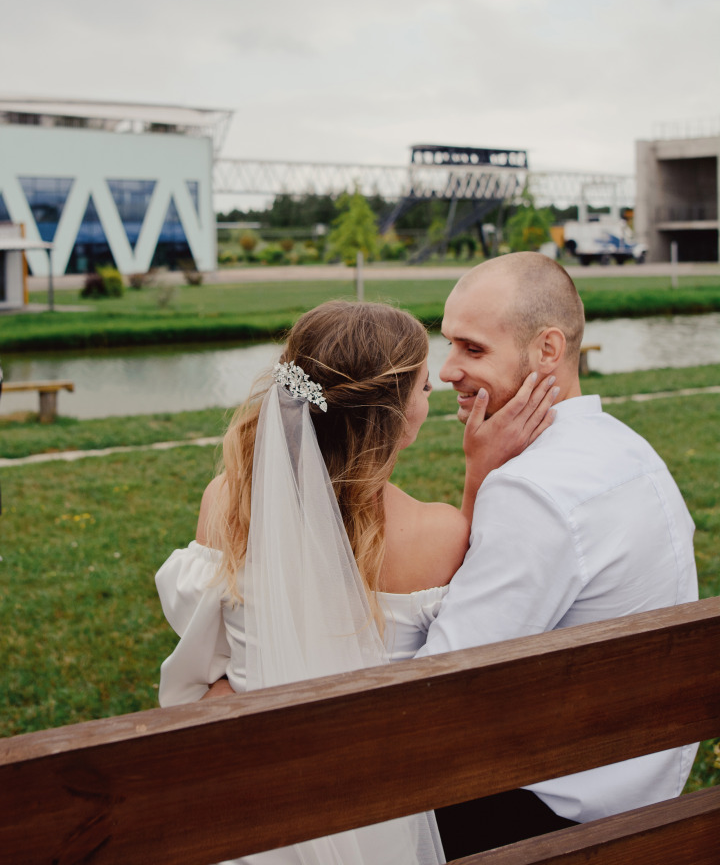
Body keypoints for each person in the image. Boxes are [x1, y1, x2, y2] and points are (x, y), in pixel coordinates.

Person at [156, 299, 555, 865]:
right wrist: (479, 473)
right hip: (372, 815)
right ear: (395, 418)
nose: (433, 391)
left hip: (242, 805)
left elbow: (205, 640)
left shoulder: (225, 503)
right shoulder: (437, 534)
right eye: (421, 385)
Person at [421, 252, 699, 857]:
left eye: (472, 350)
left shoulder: (533, 491)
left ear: (548, 351)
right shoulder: (627, 447)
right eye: (448, 346)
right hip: (641, 786)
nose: (446, 371)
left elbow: (434, 691)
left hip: (552, 813)